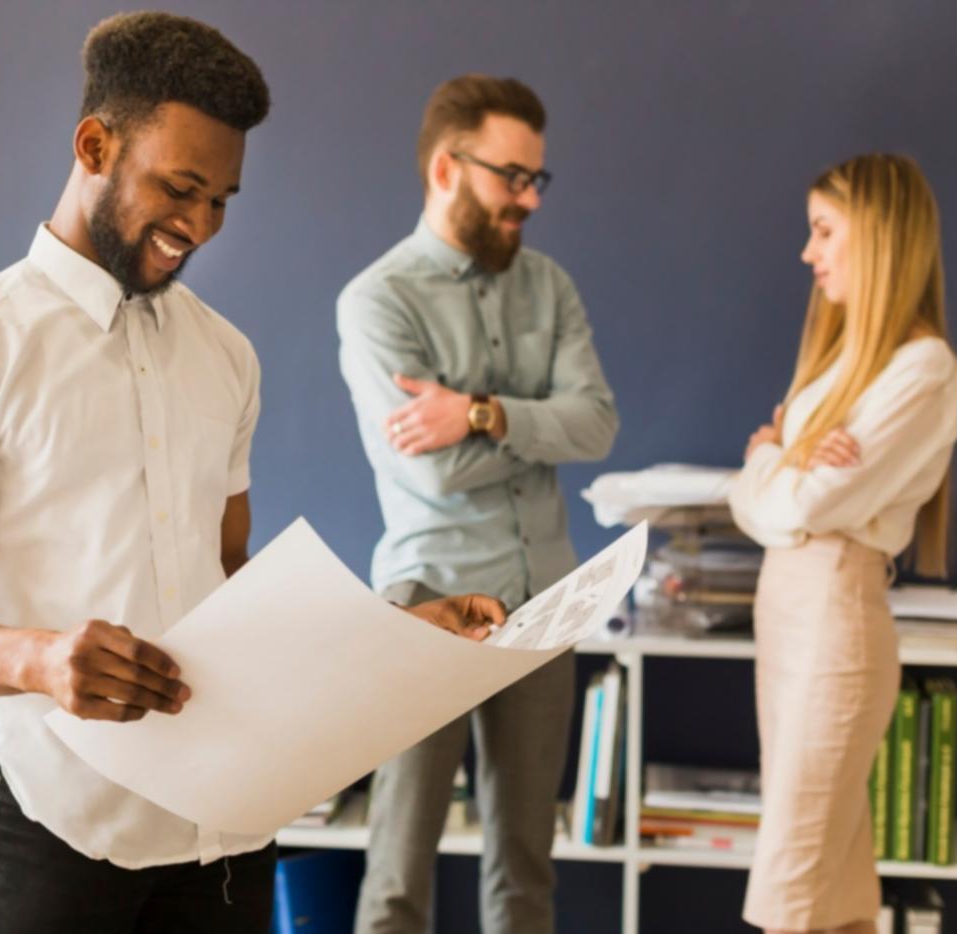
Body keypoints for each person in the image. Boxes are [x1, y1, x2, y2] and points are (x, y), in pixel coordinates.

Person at [0, 13, 504, 934]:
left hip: (223, 827)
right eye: (180, 188)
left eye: (222, 198)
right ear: (95, 144)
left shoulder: (227, 358)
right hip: (54, 823)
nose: (202, 226)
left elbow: (231, 595)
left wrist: (397, 634)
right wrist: (40, 658)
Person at [338, 74, 619, 934]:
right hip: (428, 604)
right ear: (445, 169)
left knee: (527, 870)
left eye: (538, 180)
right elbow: (434, 477)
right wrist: (538, 431)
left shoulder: (552, 287)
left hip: (546, 599)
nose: (528, 199)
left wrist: (478, 413)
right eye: (512, 177)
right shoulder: (377, 300)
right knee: (398, 872)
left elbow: (599, 425)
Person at [728, 153, 957, 934]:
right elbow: (764, 503)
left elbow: (808, 499)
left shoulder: (923, 370)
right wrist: (776, 463)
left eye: (825, 231)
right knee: (834, 891)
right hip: (789, 619)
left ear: (880, 237)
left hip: (836, 628)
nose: (808, 252)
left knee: (790, 889)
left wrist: (770, 456)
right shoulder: (834, 368)